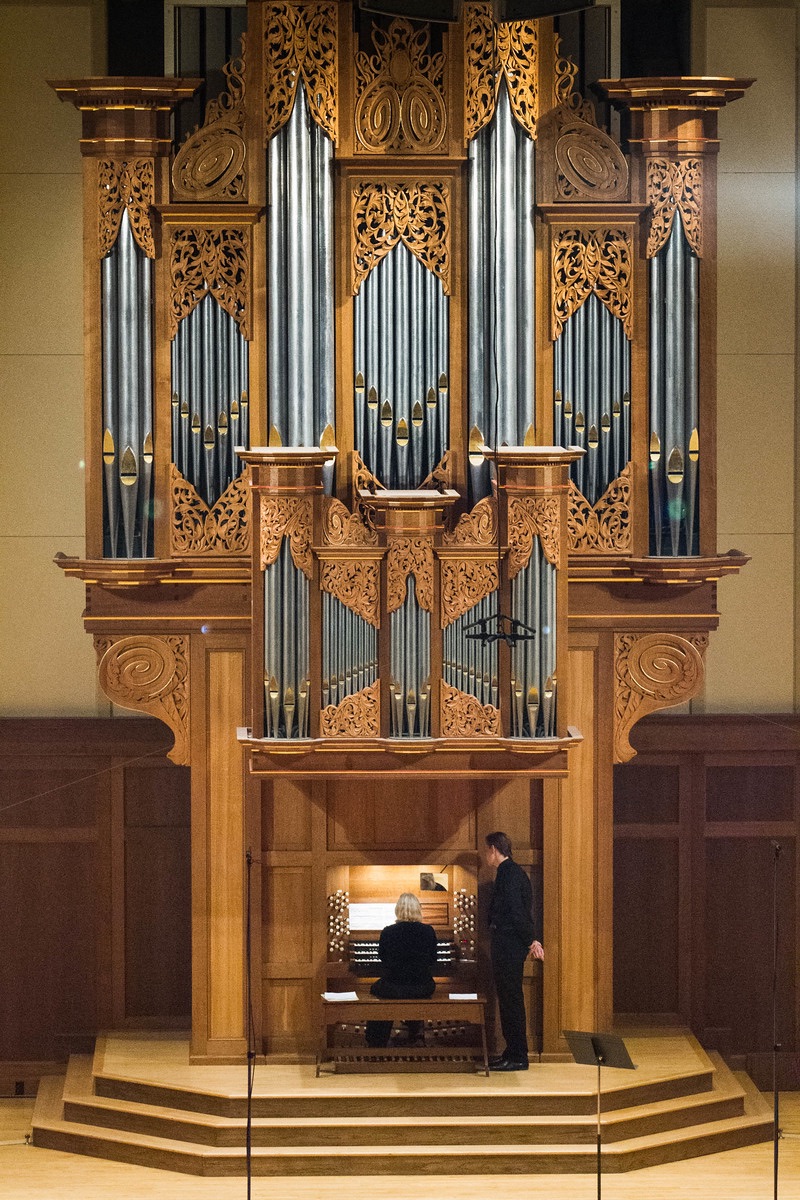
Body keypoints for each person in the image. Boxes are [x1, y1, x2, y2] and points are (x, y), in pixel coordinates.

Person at [484, 830, 544, 1071]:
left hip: (509, 946)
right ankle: (512, 1052)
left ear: (493, 850)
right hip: (509, 944)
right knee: (509, 1000)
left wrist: (531, 940)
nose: (486, 856)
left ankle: (518, 1056)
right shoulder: (510, 873)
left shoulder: (509, 874)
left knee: (512, 1001)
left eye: (486, 851)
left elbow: (517, 912)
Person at [365, 892, 438, 1048]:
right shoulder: (428, 931)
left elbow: (383, 959)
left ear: (397, 909)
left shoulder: (388, 931)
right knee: (413, 989)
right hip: (422, 987)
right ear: (419, 910)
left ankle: (377, 1040)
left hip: (393, 987)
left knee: (375, 989)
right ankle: (415, 1034)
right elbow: (433, 960)